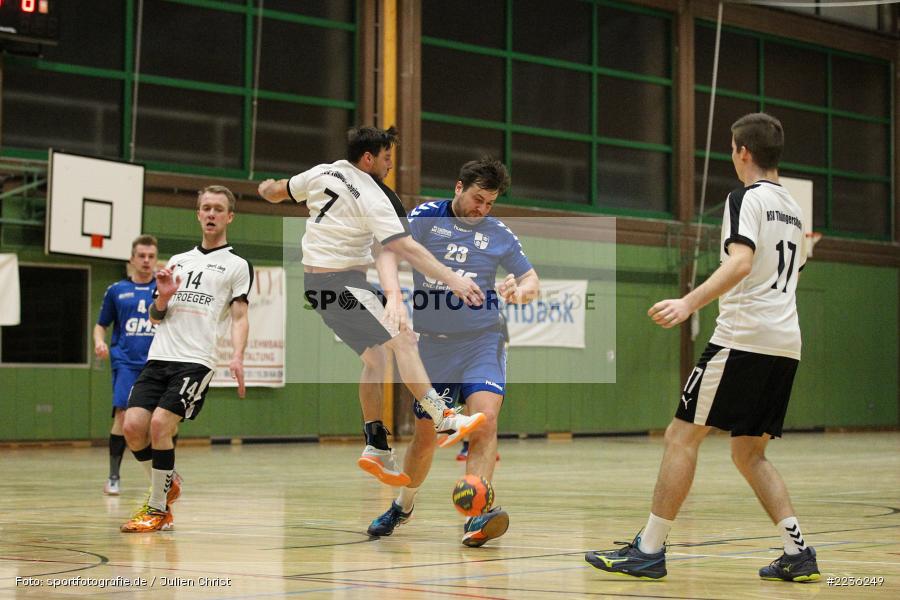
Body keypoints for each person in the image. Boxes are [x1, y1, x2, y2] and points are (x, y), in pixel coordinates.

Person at [585, 113, 819, 582]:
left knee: (680, 436)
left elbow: (741, 262)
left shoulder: (744, 198)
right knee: (749, 453)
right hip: (785, 342)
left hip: (742, 338)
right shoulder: (793, 208)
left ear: (742, 152)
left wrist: (689, 302)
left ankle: (648, 549)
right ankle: (799, 553)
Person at [257, 126, 489, 487]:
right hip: (342, 283)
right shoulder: (375, 196)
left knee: (376, 358)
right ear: (368, 158)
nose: (390, 165)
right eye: (386, 157)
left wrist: (264, 187)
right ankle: (441, 414)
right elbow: (406, 249)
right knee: (405, 339)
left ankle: (376, 444)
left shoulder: (322, 172)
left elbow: (277, 191)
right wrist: (453, 279)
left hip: (315, 285)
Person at [367, 157, 539, 547]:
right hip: (434, 345)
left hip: (482, 340)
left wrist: (521, 290)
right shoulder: (426, 217)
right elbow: (389, 252)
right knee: (426, 436)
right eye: (478, 198)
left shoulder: (498, 232)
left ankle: (476, 515)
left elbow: (531, 279)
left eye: (490, 203)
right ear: (459, 188)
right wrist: (393, 298)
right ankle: (403, 504)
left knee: (485, 421)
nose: (482, 209)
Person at [119, 185, 252, 533]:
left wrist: (238, 356)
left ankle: (158, 508)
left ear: (229, 217)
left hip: (196, 360)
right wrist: (162, 298)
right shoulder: (178, 261)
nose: (210, 213)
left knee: (162, 425)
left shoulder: (236, 265)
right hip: (160, 355)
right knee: (133, 428)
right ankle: (166, 483)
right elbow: (155, 316)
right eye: (205, 207)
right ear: (198, 214)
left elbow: (239, 317)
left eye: (218, 209)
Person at [94, 235, 159, 495]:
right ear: (132, 259)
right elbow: (101, 325)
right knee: (122, 416)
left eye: (151, 256)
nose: (146, 261)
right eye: (141, 256)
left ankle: (159, 477)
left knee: (158, 422)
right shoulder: (117, 290)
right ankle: (113, 476)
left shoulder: (163, 288)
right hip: (126, 363)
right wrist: (99, 342)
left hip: (156, 362)